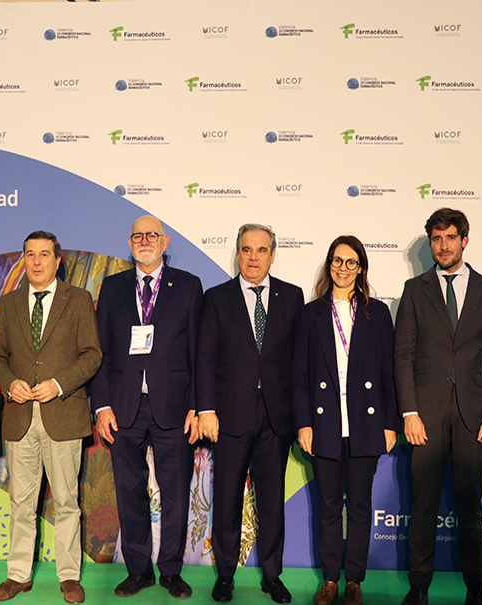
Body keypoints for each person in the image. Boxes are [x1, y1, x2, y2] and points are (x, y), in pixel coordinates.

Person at [395, 208, 482, 605]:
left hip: (474, 417)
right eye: (436, 239)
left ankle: (476, 589)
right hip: (424, 416)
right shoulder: (415, 290)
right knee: (423, 507)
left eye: (450, 237)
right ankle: (418, 588)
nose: (443, 246)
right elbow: (403, 355)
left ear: (464, 240)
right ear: (431, 243)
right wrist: (409, 412)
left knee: (470, 509)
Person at [0, 230, 102, 604]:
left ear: (57, 260)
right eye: (30, 254)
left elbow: (92, 355)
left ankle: (68, 577)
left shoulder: (78, 299)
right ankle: (17, 576)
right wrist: (9, 384)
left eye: (44, 254)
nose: (36, 261)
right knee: (21, 502)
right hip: (20, 417)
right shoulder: (9, 303)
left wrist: (58, 384)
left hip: (63, 414)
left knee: (66, 501)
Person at [90, 215, 203, 599]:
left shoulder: (188, 285)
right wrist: (102, 406)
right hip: (124, 408)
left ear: (165, 242)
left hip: (174, 407)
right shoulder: (113, 287)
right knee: (129, 491)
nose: (145, 240)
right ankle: (138, 570)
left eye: (152, 234)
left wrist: (196, 406)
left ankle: (171, 570)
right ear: (129, 242)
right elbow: (101, 353)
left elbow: (197, 353)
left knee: (176, 494)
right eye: (138, 235)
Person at [197, 223, 303, 604]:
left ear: (272, 255)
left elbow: (299, 362)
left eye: (261, 250)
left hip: (277, 418)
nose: (253, 257)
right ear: (238, 254)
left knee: (272, 502)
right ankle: (225, 575)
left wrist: (301, 417)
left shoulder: (293, 297)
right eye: (246, 250)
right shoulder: (216, 298)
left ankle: (272, 576)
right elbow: (205, 357)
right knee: (226, 500)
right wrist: (206, 409)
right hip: (229, 417)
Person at [292, 236, 398, 605]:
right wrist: (304, 423)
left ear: (361, 268)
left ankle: (354, 580)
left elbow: (389, 374)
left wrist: (390, 424)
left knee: (359, 507)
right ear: (329, 264)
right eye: (337, 260)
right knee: (327, 507)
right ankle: (330, 579)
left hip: (365, 425)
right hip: (324, 425)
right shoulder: (311, 314)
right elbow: (300, 375)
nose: (343, 268)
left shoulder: (377, 314)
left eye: (351, 262)